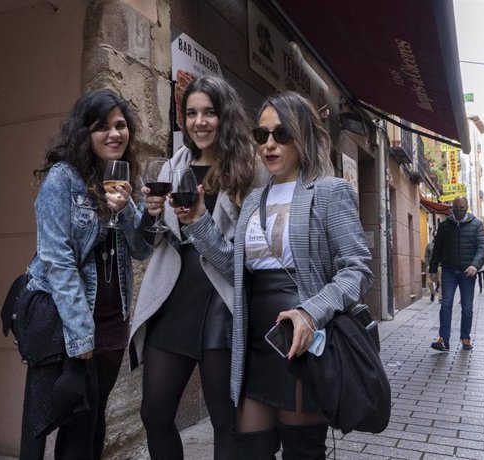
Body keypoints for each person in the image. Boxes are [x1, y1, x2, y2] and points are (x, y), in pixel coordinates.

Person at [182, 91, 374, 458]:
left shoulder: (329, 192)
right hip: (255, 336)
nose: (269, 145)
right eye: (262, 135)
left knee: (302, 450)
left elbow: (358, 269)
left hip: (298, 338)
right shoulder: (254, 198)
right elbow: (235, 268)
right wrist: (197, 222)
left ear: (303, 136)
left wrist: (311, 312)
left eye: (281, 134)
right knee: (250, 448)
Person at [128, 75, 259, 460]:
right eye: (191, 113)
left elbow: (238, 262)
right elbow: (145, 245)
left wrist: (199, 222)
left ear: (225, 116)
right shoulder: (173, 166)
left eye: (209, 112)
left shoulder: (248, 171)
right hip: (174, 297)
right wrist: (148, 216)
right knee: (154, 413)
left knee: (225, 420)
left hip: (221, 299)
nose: (199, 122)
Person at [23, 89, 147, 459]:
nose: (114, 134)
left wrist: (126, 210)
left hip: (112, 324)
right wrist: (81, 338)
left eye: (120, 125)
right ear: (84, 133)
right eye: (101, 127)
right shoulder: (63, 179)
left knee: (93, 424)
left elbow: (142, 249)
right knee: (76, 427)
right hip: (72, 325)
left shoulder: (124, 178)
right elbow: (57, 261)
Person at [428, 196, 484, 352]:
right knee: (446, 304)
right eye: (456, 208)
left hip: (468, 273)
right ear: (452, 208)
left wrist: (475, 265)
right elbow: (437, 249)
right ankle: (443, 340)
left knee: (467, 307)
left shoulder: (477, 225)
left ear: (466, 208)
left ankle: (465, 338)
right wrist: (433, 269)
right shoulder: (445, 225)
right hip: (448, 271)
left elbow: (482, 248)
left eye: (462, 209)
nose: (459, 211)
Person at [425, 231, 441, 302]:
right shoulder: (429, 245)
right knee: (429, 282)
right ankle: (433, 293)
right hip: (431, 266)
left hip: (439, 265)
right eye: (435, 234)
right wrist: (427, 264)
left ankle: (440, 296)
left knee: (440, 281)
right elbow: (426, 256)